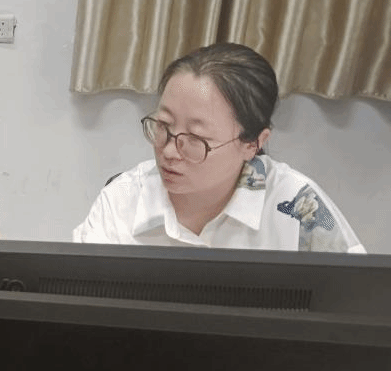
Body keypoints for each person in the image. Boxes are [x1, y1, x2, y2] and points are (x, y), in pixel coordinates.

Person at [73, 42, 364, 252]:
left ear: (253, 144)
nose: (170, 152)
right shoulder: (122, 200)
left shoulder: (298, 207)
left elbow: (355, 303)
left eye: (196, 140)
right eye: (163, 126)